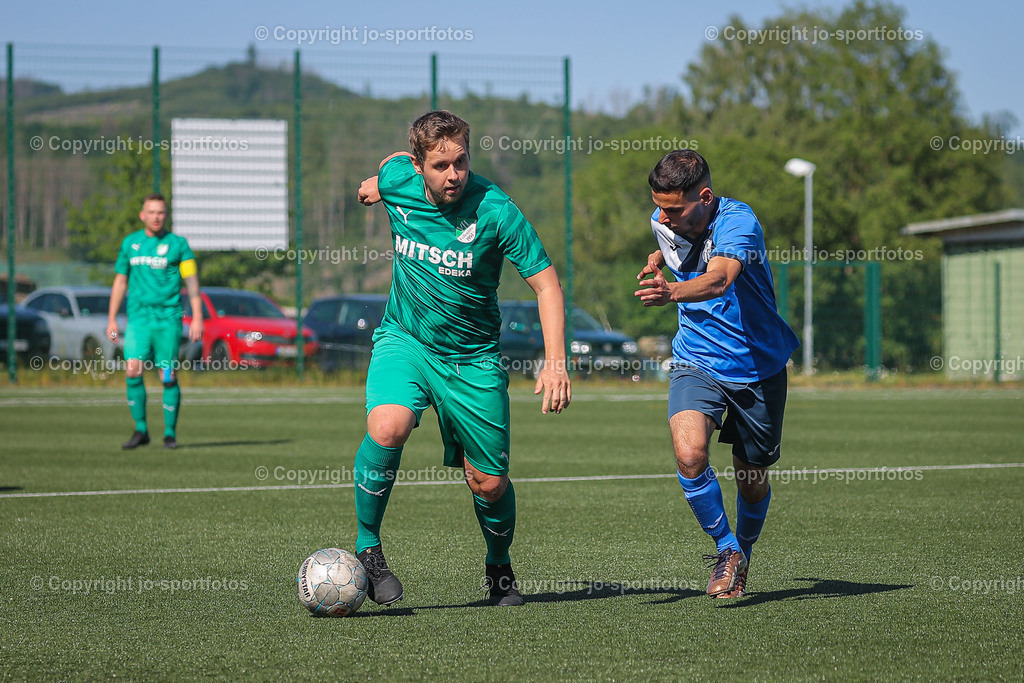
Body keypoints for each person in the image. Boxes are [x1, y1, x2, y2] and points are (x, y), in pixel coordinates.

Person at [354, 110, 571, 607]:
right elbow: (388, 165)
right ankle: (369, 548)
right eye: (440, 166)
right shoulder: (398, 178)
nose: (453, 175)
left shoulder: (496, 209)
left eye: (461, 162)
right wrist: (376, 184)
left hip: (473, 359)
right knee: (388, 427)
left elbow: (546, 284)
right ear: (418, 166)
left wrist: (555, 360)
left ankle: (498, 567)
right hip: (404, 339)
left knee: (488, 482)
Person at [634, 150, 799, 598]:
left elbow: (721, 277)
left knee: (751, 478)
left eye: (673, 209)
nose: (663, 217)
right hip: (696, 360)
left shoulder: (739, 223)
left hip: (757, 368)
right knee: (690, 454)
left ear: (704, 197)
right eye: (658, 206)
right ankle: (726, 551)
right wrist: (658, 259)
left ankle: (742, 552)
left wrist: (671, 292)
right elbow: (678, 248)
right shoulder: (664, 220)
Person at [107, 193, 203, 450]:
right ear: (142, 215)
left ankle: (170, 433)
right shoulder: (130, 244)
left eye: (160, 212)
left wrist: (197, 317)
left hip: (168, 320)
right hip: (138, 320)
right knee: (132, 370)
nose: (156, 217)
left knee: (168, 376)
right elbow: (120, 281)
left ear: (166, 215)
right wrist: (112, 318)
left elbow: (191, 282)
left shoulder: (178, 244)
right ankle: (141, 430)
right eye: (151, 212)